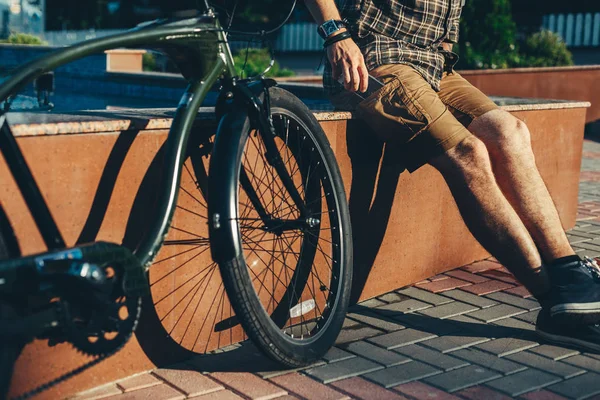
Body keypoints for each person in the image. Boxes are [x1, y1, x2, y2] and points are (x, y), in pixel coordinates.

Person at [304, 0, 600, 351]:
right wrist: (335, 33)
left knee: (510, 132)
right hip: (374, 61)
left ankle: (569, 273)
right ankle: (559, 303)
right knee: (468, 154)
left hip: (434, 67)